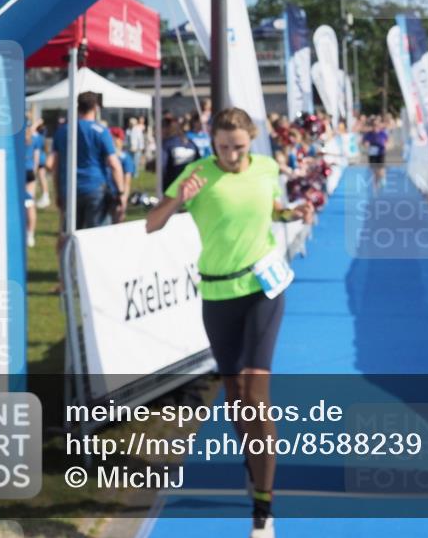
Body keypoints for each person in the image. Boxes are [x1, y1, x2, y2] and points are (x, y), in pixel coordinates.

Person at [146, 107, 314, 538]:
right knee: (236, 396)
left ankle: (263, 507)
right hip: (218, 296)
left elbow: (270, 208)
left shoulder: (267, 167)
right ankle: (253, 462)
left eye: (239, 147)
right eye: (223, 147)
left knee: (256, 395)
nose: (232, 155)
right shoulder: (197, 174)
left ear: (252, 141)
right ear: (212, 141)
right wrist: (179, 198)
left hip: (263, 290)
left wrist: (291, 212)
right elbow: (152, 224)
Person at [48, 92, 124, 231]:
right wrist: (120, 193)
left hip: (70, 188)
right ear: (96, 108)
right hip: (95, 188)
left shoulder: (63, 131)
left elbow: (55, 165)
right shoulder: (101, 131)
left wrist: (58, 192)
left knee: (70, 235)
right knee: (97, 235)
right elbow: (114, 164)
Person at [159, 115, 201, 191]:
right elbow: (198, 163)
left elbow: (162, 166)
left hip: (171, 186)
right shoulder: (191, 143)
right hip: (190, 186)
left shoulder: (167, 144)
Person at [109, 127, 135, 223]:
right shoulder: (106, 156)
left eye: (116, 138)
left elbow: (127, 181)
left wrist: (123, 199)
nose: (113, 141)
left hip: (117, 196)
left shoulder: (125, 158)